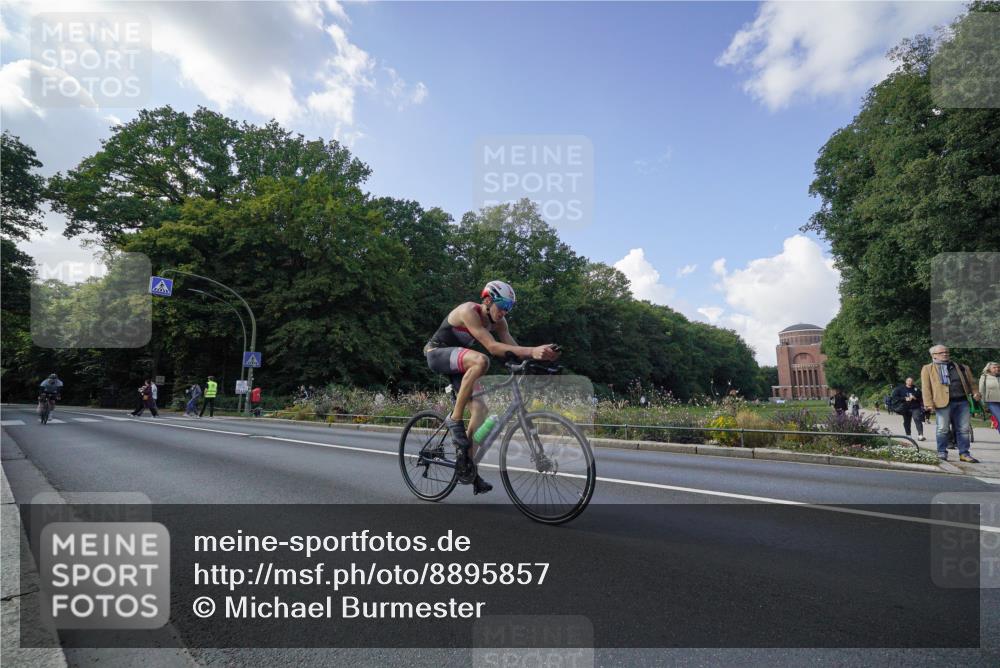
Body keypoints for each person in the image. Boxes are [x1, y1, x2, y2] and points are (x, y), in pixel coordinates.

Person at [424, 280, 560, 495]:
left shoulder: (499, 322)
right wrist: (533, 350)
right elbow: (493, 347)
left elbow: (513, 349)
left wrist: (541, 359)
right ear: (487, 300)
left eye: (509, 307)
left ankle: (467, 466)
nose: (504, 311)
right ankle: (455, 419)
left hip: (461, 364)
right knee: (482, 360)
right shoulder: (469, 311)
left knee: (481, 410)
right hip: (437, 354)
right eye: (502, 305)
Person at [920, 345, 981, 463]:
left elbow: (972, 383)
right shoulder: (927, 368)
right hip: (942, 403)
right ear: (933, 355)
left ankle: (964, 453)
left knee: (963, 429)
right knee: (942, 429)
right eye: (941, 352)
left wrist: (975, 392)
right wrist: (928, 403)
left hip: (962, 401)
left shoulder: (961, 367)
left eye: (947, 352)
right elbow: (926, 388)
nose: (945, 354)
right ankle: (942, 452)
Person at [980, 361, 1000, 436]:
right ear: (989, 369)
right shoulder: (984, 377)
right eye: (994, 367)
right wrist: (983, 403)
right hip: (992, 401)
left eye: (997, 367)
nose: (997, 369)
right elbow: (981, 390)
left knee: (998, 420)